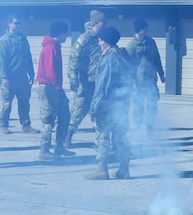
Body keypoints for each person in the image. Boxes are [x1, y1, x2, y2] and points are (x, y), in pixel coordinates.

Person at [85, 25, 132, 180]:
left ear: (107, 42)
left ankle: (102, 168)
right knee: (119, 137)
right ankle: (124, 169)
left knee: (102, 136)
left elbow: (103, 85)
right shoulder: (121, 56)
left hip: (107, 105)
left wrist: (95, 107)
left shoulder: (109, 59)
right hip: (121, 105)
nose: (99, 44)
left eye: (101, 41)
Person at [34, 20, 75, 161]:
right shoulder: (50, 48)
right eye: (65, 33)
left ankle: (59, 146)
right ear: (60, 33)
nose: (67, 36)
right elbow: (51, 70)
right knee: (48, 120)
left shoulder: (55, 46)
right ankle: (44, 150)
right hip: (48, 87)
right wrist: (57, 88)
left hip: (55, 87)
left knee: (65, 116)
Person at [67, 9, 106, 148]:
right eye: (102, 21)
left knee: (99, 111)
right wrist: (73, 79)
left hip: (99, 81)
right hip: (85, 81)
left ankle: (100, 142)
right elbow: (73, 59)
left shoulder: (102, 37)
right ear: (96, 22)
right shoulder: (85, 38)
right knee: (79, 109)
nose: (105, 23)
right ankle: (68, 136)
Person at [0, 15, 37, 134]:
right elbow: (1, 60)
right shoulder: (4, 40)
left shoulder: (23, 39)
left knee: (24, 102)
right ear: (9, 24)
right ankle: (3, 125)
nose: (18, 25)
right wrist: (4, 77)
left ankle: (26, 125)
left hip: (22, 78)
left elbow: (28, 57)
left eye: (19, 23)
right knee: (7, 103)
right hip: (10, 78)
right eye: (15, 23)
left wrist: (31, 73)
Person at [124, 18, 165, 134]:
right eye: (144, 30)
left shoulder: (151, 42)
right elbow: (128, 67)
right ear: (139, 30)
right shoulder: (131, 46)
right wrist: (132, 83)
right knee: (139, 106)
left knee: (152, 104)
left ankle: (149, 128)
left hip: (151, 80)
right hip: (138, 82)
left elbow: (157, 58)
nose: (146, 32)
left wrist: (161, 73)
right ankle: (138, 129)